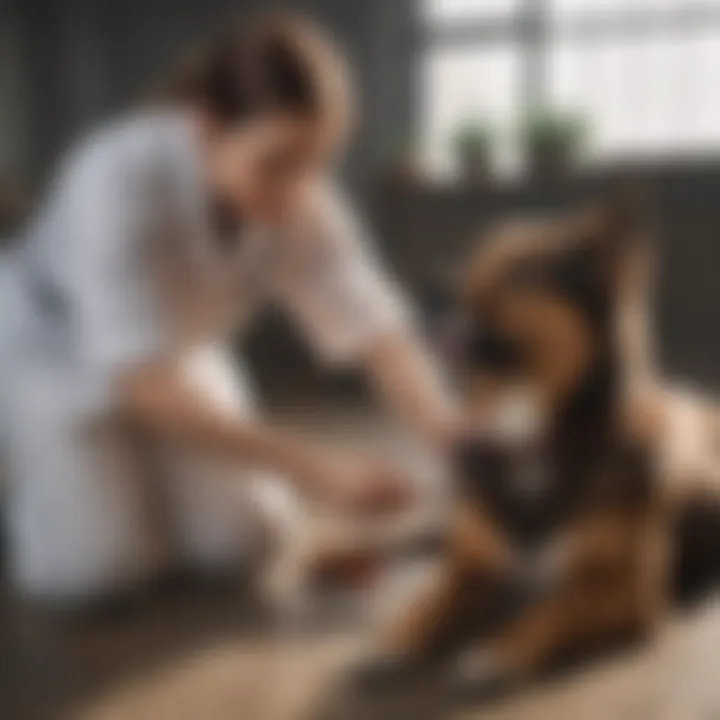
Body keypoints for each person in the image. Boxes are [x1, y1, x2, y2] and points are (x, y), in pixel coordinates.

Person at [0, 13, 459, 605]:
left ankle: (129, 480)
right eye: (276, 162)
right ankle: (33, 484)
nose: (298, 189)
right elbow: (139, 383)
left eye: (317, 161)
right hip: (52, 353)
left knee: (245, 544)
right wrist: (314, 469)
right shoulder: (114, 174)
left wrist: (454, 439)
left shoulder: (298, 191)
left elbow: (376, 328)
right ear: (204, 125)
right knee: (98, 572)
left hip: (175, 353)